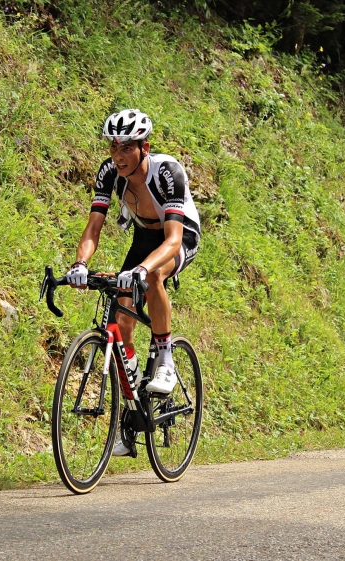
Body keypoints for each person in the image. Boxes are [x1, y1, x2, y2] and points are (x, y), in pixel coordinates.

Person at [65, 109, 201, 453]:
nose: (118, 156)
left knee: (153, 274)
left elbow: (171, 240)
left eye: (126, 148)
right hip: (143, 236)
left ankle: (166, 357)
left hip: (179, 236)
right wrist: (80, 262)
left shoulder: (167, 172)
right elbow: (93, 227)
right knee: (121, 322)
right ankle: (134, 409)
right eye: (113, 147)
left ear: (144, 147)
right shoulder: (109, 172)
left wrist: (141, 270)